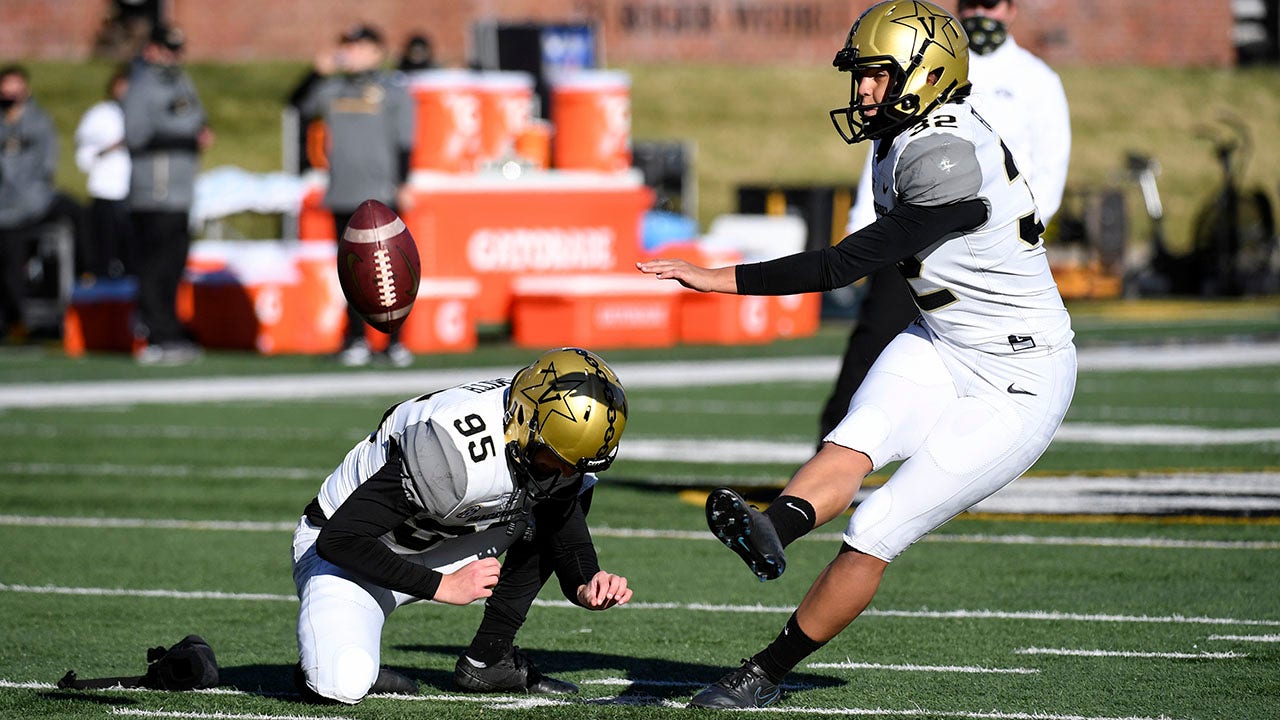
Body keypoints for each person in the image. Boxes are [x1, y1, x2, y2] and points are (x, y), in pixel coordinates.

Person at [638, 0, 1076, 708]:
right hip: (944, 338)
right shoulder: (906, 134)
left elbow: (846, 266)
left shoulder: (946, 154)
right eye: (860, 76)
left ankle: (766, 672)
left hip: (1018, 376)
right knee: (854, 438)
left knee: (876, 525)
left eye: (877, 76)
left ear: (927, 75)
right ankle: (772, 530)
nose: (863, 91)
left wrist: (718, 277)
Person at [292, 347, 633, 704]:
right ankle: (346, 654)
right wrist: (442, 586)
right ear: (523, 420)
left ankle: (489, 658)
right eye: (554, 460)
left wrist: (586, 582)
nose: (564, 473)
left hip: (437, 539)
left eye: (573, 465)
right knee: (341, 682)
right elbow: (340, 539)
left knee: (537, 507)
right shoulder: (455, 450)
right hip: (346, 553)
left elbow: (562, 527)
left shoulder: (557, 442)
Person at [816, 0, 1071, 441]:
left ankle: (956, 461)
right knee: (872, 344)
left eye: (989, 4)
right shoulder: (925, 65)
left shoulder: (1038, 81)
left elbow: (1050, 165)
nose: (979, 12)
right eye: (970, 3)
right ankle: (832, 453)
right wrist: (864, 223)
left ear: (1011, 9)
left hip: (985, 244)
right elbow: (889, 150)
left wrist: (1016, 233)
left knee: (980, 357)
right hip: (913, 229)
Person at [295, 23, 416, 367]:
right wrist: (314, 74)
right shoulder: (331, 88)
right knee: (352, 273)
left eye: (360, 46)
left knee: (390, 270)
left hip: (380, 190)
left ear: (377, 51)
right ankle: (354, 338)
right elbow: (296, 105)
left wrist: (404, 181)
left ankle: (394, 341)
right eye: (348, 46)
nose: (352, 53)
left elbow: (406, 140)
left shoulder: (392, 89)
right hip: (343, 190)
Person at [124, 24, 212, 365]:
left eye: (177, 50)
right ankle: (153, 332)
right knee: (154, 266)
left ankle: (169, 329)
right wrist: (185, 138)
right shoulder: (141, 86)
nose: (173, 56)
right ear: (152, 50)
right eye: (167, 49)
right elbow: (137, 136)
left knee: (174, 266)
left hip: (181, 191)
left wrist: (194, 135)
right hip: (153, 191)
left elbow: (198, 120)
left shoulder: (182, 82)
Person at [0, 64, 85, 344]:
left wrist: (27, 199)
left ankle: (89, 280)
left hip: (33, 201)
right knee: (10, 255)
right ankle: (17, 319)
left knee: (78, 213)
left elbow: (44, 168)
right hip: (5, 207)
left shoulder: (38, 122)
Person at [75, 65, 135, 280]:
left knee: (132, 254)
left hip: (137, 192)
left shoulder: (143, 114)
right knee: (104, 251)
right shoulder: (99, 115)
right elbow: (84, 156)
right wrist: (112, 147)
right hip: (106, 191)